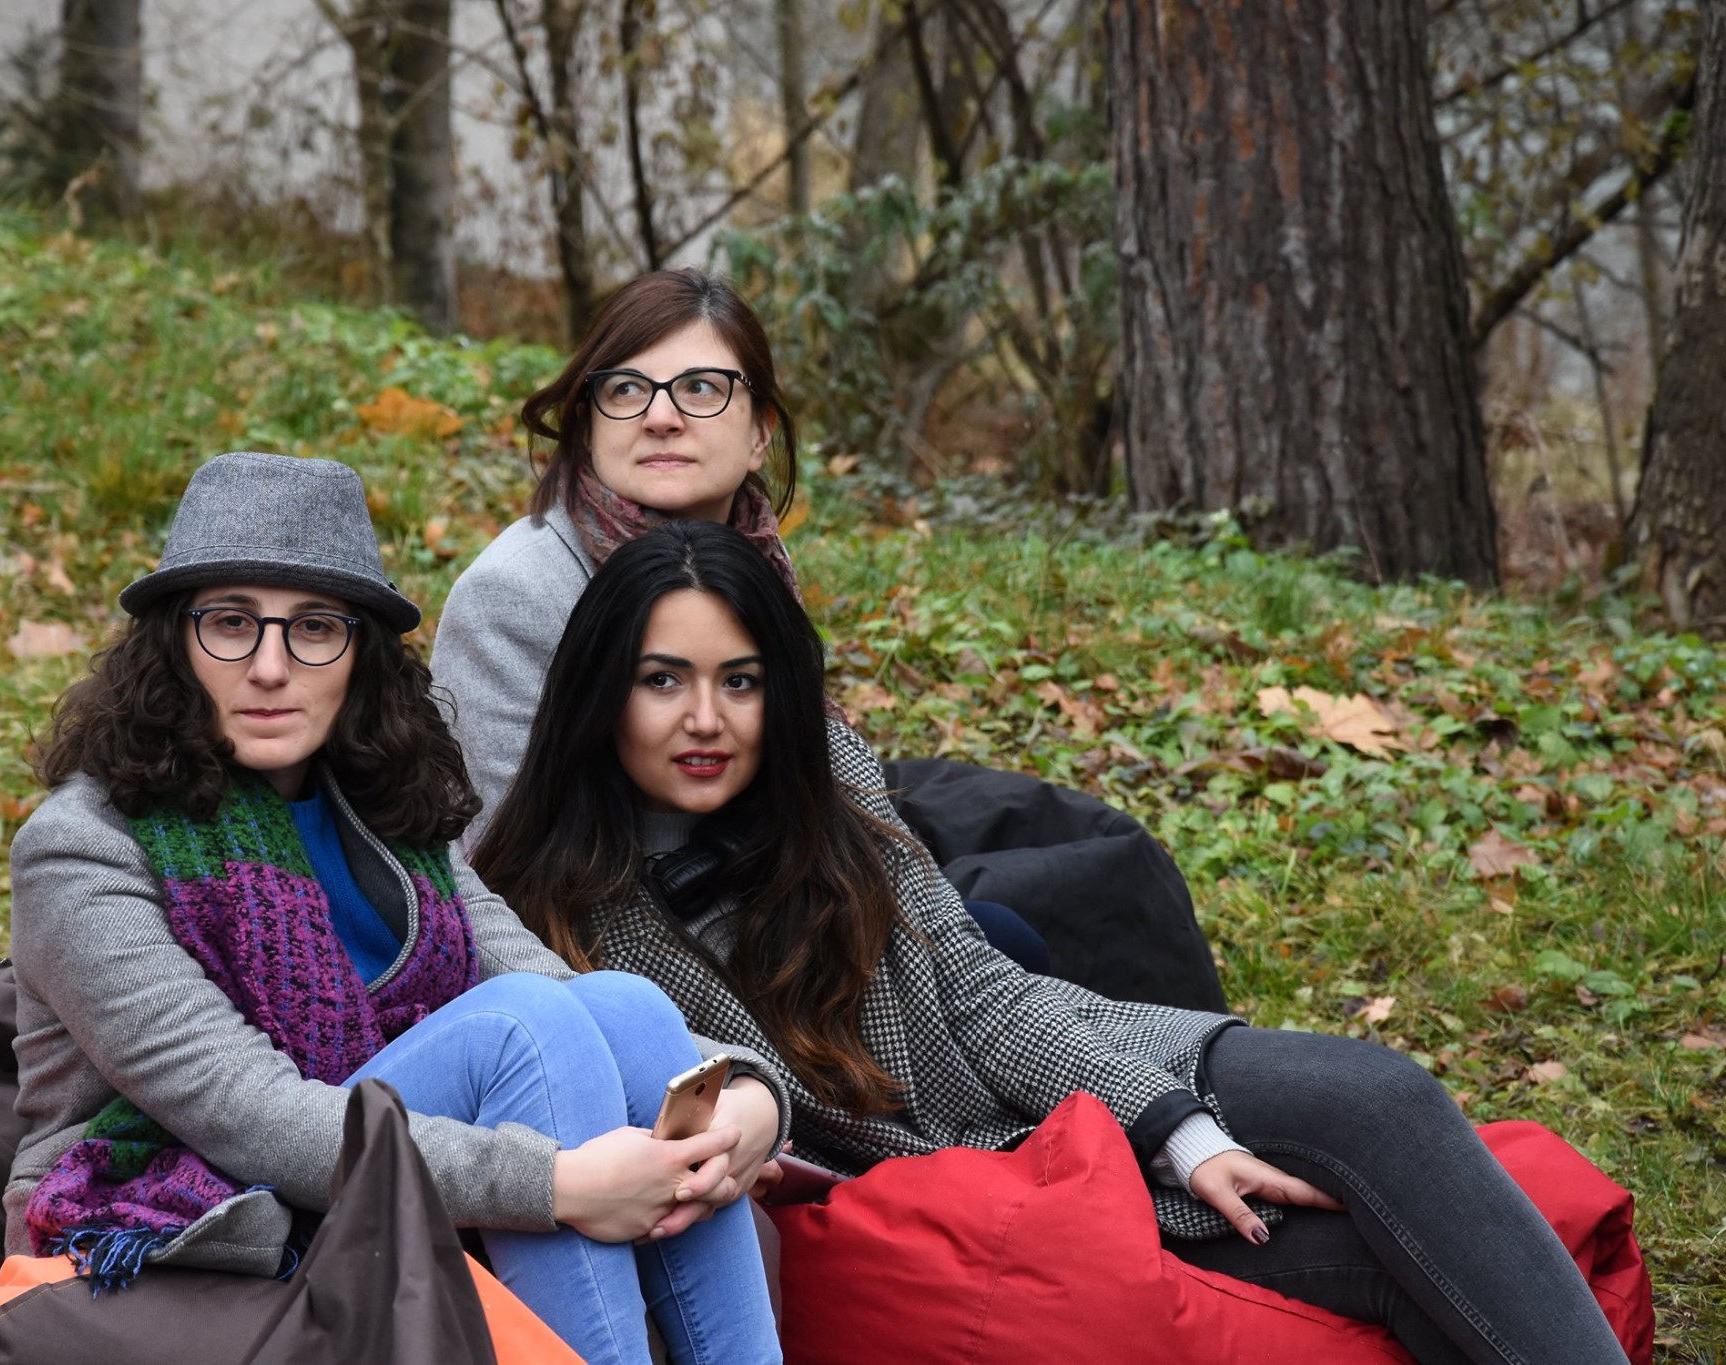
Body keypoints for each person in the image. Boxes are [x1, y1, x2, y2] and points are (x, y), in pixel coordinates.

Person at [472, 519, 1633, 1365]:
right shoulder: (559, 907)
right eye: (661, 681)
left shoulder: (823, 784)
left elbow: (979, 986)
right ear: (599, 695)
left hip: (1045, 1065)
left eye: (740, 681)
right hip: (937, 1179)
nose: (704, 720)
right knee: (1367, 1268)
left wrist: (1172, 1128)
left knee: (1378, 1098)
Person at [3, 452, 785, 1365]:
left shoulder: (381, 808)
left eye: (314, 628)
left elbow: (554, 982)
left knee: (621, 1002)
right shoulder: (83, 846)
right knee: (519, 1029)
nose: (269, 667)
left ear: (361, 652)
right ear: (174, 642)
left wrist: (750, 1091)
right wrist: (557, 1183)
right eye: (230, 623)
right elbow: (247, 1112)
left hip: (364, 1171)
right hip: (181, 1209)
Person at [430, 267, 1221, 1002]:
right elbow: (514, 874)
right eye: (627, 389)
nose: (661, 416)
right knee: (996, 937)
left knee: (1083, 864)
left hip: (774, 852)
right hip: (648, 933)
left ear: (759, 433)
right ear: (587, 420)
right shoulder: (517, 595)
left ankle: (1165, 1080)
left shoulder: (748, 551)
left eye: (700, 387)